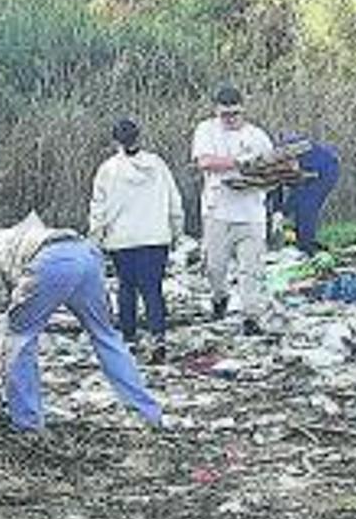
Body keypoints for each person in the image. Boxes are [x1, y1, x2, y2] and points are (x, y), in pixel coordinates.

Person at [0, 212, 163, 433]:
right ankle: (148, 413)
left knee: (19, 341)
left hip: (51, 261)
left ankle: (27, 425)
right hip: (85, 254)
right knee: (105, 336)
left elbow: (2, 301)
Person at [88, 117, 184, 363]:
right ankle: (158, 338)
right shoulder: (157, 165)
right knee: (153, 289)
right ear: (139, 138)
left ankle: (129, 339)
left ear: (115, 141)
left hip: (122, 239)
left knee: (126, 288)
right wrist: (176, 231)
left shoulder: (108, 170)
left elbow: (100, 208)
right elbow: (174, 201)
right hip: (155, 236)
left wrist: (96, 238)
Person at [190, 84, 274, 335]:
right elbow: (204, 161)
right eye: (224, 114)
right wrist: (238, 162)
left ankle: (251, 316)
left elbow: (273, 167)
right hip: (218, 212)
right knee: (215, 267)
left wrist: (261, 176)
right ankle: (220, 297)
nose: (230, 119)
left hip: (251, 213)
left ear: (243, 110)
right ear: (216, 112)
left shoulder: (257, 136)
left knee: (251, 269)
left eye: (235, 114)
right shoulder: (206, 130)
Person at [276, 133, 340, 255]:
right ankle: (303, 241)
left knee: (307, 206)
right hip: (313, 167)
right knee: (302, 205)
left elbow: (298, 192)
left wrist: (283, 212)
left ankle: (306, 245)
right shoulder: (278, 163)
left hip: (326, 170)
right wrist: (279, 210)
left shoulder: (302, 155)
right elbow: (280, 188)